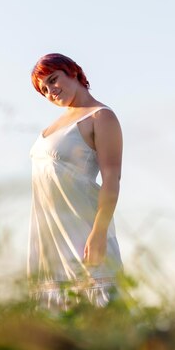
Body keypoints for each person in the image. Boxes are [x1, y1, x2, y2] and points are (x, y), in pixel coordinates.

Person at [27, 53, 123, 309]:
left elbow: (112, 179)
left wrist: (99, 232)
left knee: (101, 317)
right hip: (49, 235)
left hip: (84, 231)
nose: (50, 90)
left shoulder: (100, 117)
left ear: (73, 72)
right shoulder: (52, 126)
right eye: (44, 89)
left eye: (53, 79)